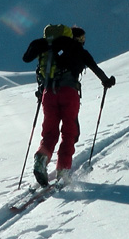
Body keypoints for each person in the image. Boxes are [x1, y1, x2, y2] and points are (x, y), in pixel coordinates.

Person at [22, 25, 115, 186]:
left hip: (48, 94)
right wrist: (107, 82)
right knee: (69, 132)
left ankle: (41, 159)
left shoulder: (48, 48)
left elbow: (30, 61)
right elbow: (95, 68)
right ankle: (63, 170)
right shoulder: (77, 49)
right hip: (69, 93)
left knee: (49, 132)